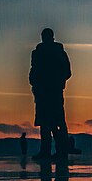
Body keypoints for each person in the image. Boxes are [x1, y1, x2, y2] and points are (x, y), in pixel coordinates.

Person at [29, 28, 71, 159]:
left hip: (49, 92)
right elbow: (67, 72)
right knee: (52, 122)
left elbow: (67, 72)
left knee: (52, 122)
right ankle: (54, 151)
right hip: (48, 92)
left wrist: (54, 82)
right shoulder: (40, 53)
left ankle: (54, 151)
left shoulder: (42, 53)